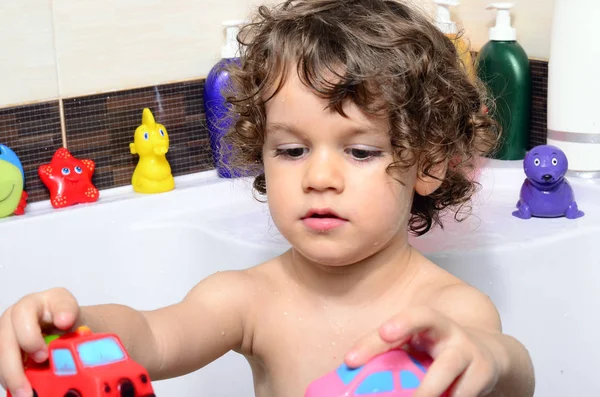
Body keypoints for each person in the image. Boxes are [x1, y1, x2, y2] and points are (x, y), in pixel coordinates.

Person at [0, 1, 535, 396]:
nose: (319, 178)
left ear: (431, 164)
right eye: (293, 149)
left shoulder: (448, 310)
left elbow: (510, 373)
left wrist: (491, 358)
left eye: (361, 152)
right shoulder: (249, 299)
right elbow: (153, 337)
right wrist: (71, 328)